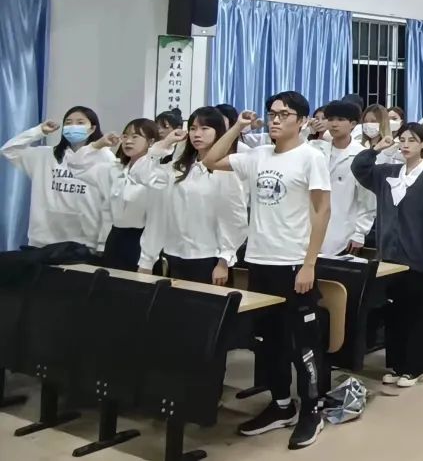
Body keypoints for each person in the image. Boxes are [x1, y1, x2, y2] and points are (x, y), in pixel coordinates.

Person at [202, 92, 332, 450]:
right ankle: (281, 404)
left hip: (293, 264)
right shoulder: (257, 155)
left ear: (301, 121)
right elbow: (210, 160)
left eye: (284, 114)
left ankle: (312, 409)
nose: (275, 119)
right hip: (260, 262)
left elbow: (322, 211)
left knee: (304, 344)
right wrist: (238, 127)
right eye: (272, 113)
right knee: (270, 341)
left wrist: (309, 263)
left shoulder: (310, 157)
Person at [351, 124, 423, 387]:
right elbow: (359, 168)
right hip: (390, 257)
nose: (405, 145)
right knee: (395, 314)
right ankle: (396, 365)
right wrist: (376, 149)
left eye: (412, 140)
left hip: (417, 257)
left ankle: (415, 367)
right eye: (402, 140)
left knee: (417, 313)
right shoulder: (389, 172)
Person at [133, 107, 248, 283]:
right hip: (174, 255)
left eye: (204, 128)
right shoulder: (178, 168)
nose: (197, 134)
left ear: (218, 132)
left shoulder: (226, 171)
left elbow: (234, 219)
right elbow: (139, 175)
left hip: (209, 258)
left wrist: (224, 260)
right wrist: (165, 144)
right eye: (193, 129)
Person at [2, 106, 112, 250]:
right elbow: (9, 150)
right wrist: (39, 131)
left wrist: (102, 243)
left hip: (84, 243)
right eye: (68, 122)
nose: (73, 126)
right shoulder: (46, 155)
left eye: (80, 122)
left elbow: (109, 203)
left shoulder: (105, 157)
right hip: (42, 242)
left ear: (92, 128)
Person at [67, 118, 159, 271]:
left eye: (135, 136)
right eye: (125, 136)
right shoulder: (114, 169)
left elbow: (157, 222)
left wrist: (148, 260)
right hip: (115, 238)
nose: (128, 141)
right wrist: (98, 144)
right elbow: (75, 165)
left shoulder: (156, 174)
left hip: (141, 241)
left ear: (151, 142)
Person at [319, 101, 376, 256]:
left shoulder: (362, 156)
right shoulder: (317, 151)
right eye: (330, 119)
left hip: (344, 232)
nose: (334, 124)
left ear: (353, 124)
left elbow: (368, 200)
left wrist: (360, 232)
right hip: (313, 228)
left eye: (340, 119)